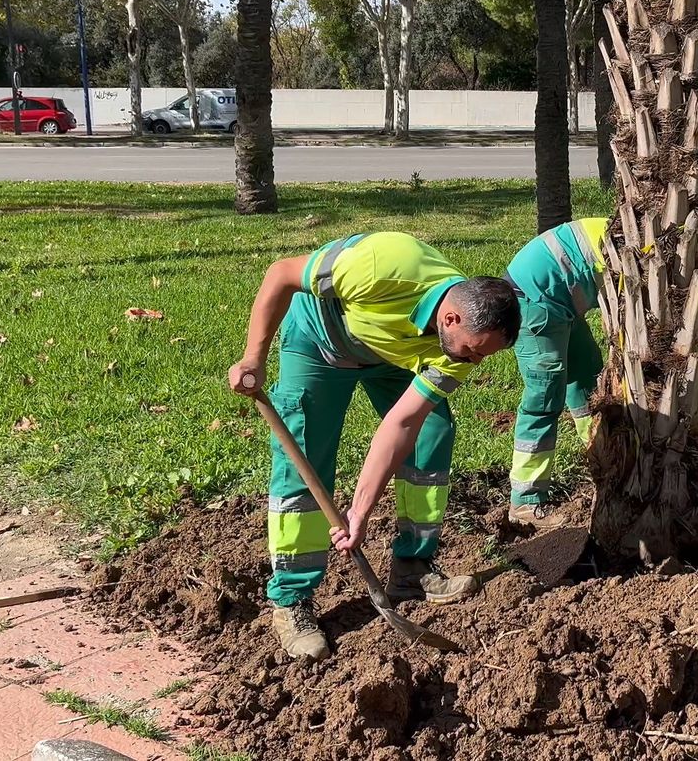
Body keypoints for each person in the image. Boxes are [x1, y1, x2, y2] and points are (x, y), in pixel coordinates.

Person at [229, 232, 520, 660]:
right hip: (321, 341)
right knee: (305, 451)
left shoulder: (456, 349)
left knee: (429, 432)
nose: (474, 363)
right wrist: (254, 356)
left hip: (391, 356)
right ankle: (291, 600)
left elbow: (402, 422)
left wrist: (359, 513)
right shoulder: (381, 265)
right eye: (473, 352)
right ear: (452, 318)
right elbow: (282, 274)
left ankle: (412, 568)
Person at [502, 218, 610, 528]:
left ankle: (602, 457)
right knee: (544, 395)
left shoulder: (642, 231)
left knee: (586, 374)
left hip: (557, 295)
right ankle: (525, 501)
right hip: (535, 299)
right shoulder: (645, 247)